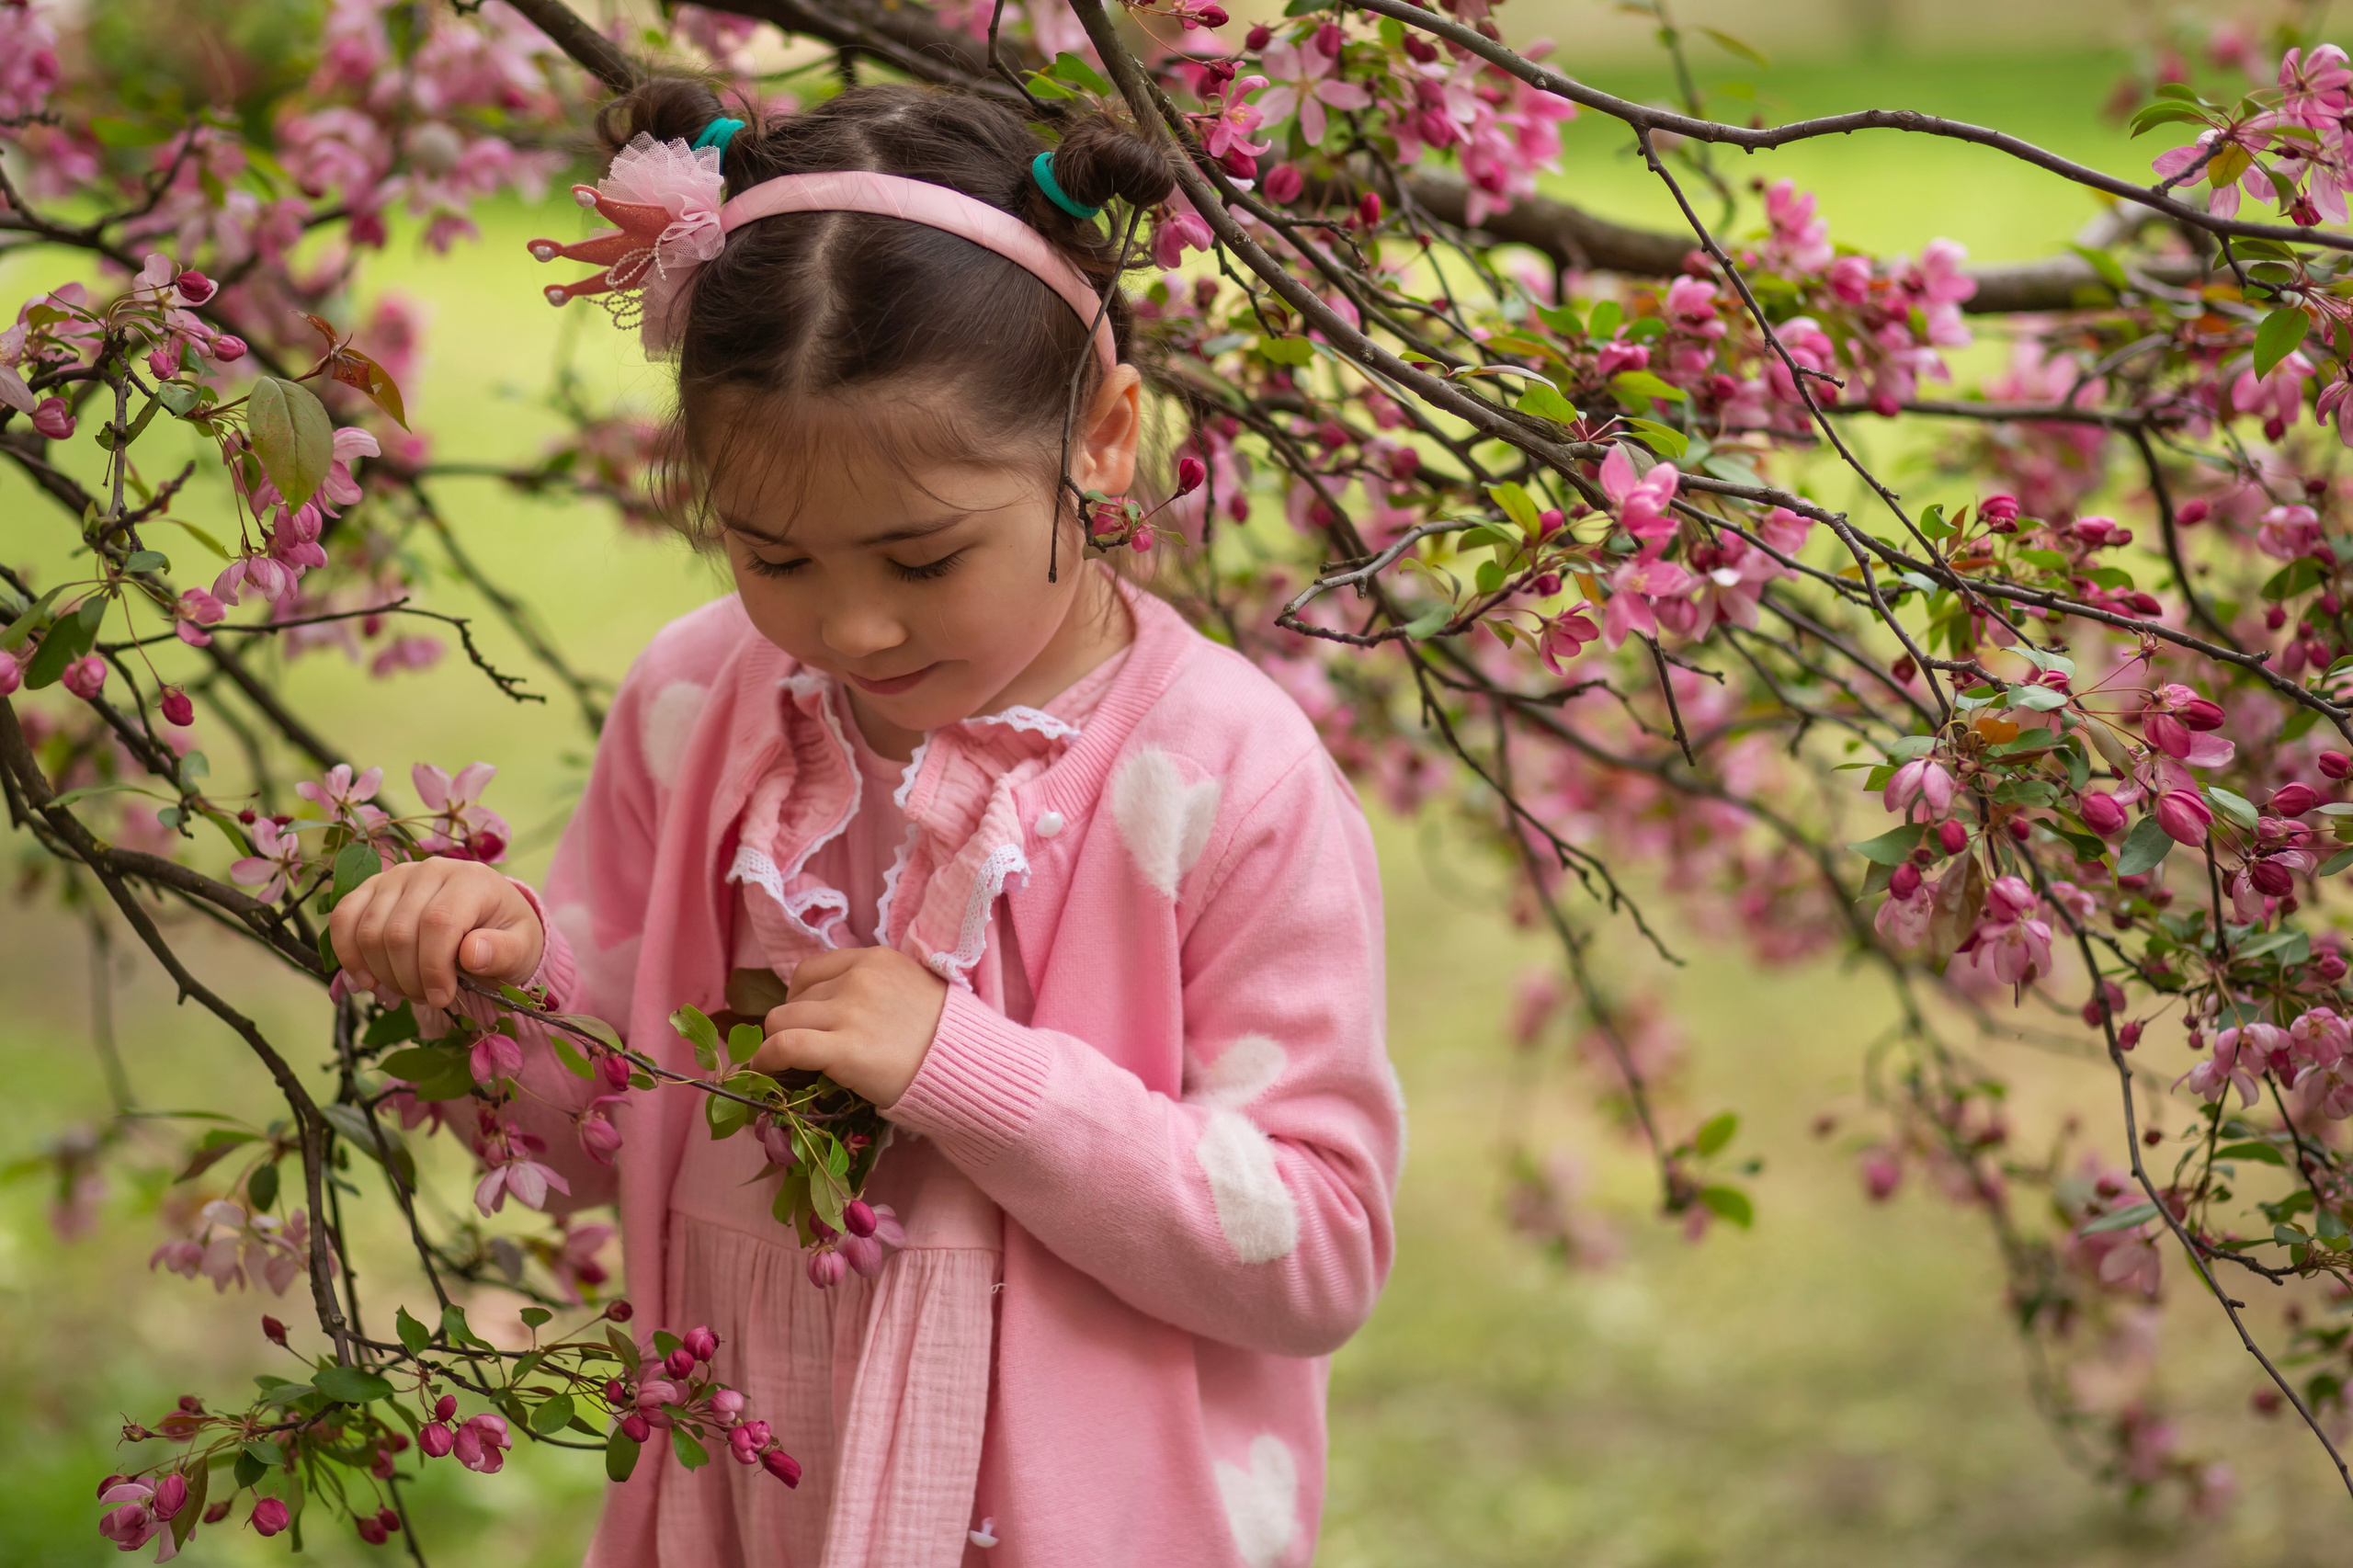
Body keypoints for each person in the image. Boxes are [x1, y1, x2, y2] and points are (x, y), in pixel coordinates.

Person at [326, 75, 1399, 1568]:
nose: (853, 626)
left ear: (1100, 438)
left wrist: (973, 1073)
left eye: (923, 555)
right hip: (746, 1493)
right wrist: (504, 984)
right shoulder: (701, 702)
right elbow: (612, 1136)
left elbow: (1321, 1243)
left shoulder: (1224, 776)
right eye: (773, 554)